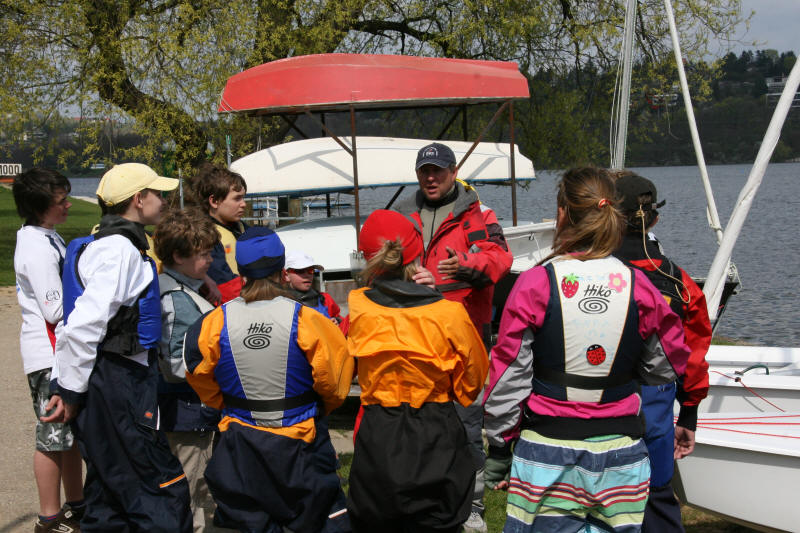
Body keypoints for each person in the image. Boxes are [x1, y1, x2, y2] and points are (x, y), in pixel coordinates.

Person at [483, 167, 691, 533]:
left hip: (549, 450)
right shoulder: (639, 285)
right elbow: (668, 364)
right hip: (621, 454)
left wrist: (500, 446)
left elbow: (508, 376)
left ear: (562, 212)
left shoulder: (535, 283)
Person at [45, 162, 192, 532]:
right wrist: (70, 390)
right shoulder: (119, 251)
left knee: (108, 494)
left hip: (107, 381)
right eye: (158, 194)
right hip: (118, 383)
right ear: (138, 199)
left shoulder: (101, 245)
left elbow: (69, 325)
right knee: (159, 491)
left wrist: (64, 381)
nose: (164, 200)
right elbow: (83, 325)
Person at [184, 227, 353, 533]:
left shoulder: (213, 322)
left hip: (240, 443)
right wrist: (315, 408)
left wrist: (229, 404)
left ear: (241, 272)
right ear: (282, 271)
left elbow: (199, 375)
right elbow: (336, 383)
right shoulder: (309, 319)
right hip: (301, 443)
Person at [345, 210, 489, 533]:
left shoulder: (357, 308)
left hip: (379, 431)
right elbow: (472, 384)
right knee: (440, 521)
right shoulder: (449, 313)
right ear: (416, 255)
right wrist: (433, 296)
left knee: (375, 520)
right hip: (435, 431)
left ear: (369, 259)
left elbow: (340, 373)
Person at [394, 142, 512, 533]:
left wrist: (462, 266)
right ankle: (424, 500)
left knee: (466, 426)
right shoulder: (403, 215)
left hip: (465, 343)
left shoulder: (479, 215)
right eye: (424, 171)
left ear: (453, 171)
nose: (431, 178)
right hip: (416, 342)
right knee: (417, 424)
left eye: (438, 171)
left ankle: (471, 506)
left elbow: (499, 259)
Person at [613, 171, 711, 532]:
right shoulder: (679, 284)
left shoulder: (583, 275)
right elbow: (693, 356)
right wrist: (689, 414)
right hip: (653, 417)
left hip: (592, 415)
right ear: (654, 219)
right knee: (656, 502)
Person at [12, 168, 85, 532]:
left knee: (68, 436)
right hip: (48, 354)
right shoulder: (36, 247)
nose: (68, 205)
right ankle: (49, 517)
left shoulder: (48, 236)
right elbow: (54, 309)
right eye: (61, 201)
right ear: (41, 207)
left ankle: (77, 504)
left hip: (59, 352)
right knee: (52, 437)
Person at [153, 208, 223, 533]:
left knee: (195, 492)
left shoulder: (181, 289)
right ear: (179, 256)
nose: (210, 260)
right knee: (187, 496)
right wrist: (222, 367)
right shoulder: (176, 300)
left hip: (191, 411)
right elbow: (174, 365)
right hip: (185, 413)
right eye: (203, 254)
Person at [191, 162, 248, 303]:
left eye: (243, 197)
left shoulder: (243, 228)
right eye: (237, 198)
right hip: (232, 306)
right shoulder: (204, 236)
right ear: (214, 201)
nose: (244, 204)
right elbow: (224, 287)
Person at [283, 250, 342, 323]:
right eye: (300, 271)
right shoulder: (280, 305)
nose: (307, 275)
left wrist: (337, 320)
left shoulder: (325, 299)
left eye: (310, 271)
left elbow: (339, 318)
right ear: (286, 275)